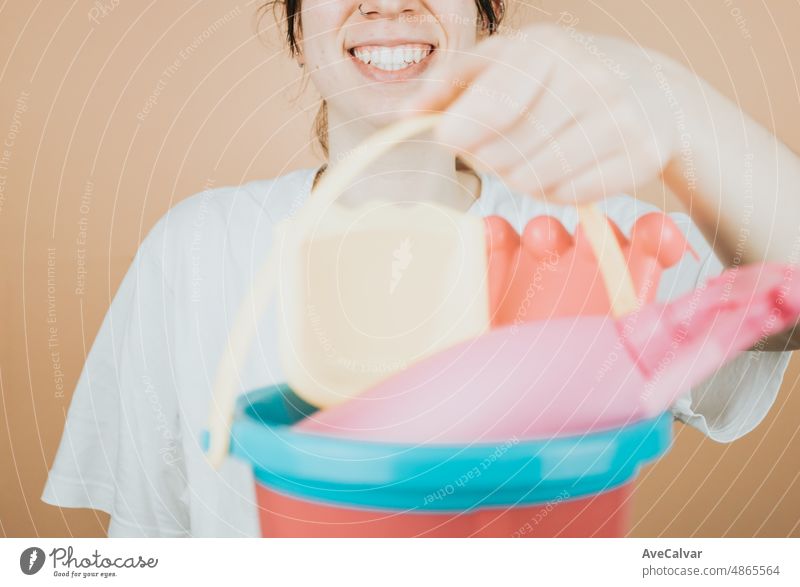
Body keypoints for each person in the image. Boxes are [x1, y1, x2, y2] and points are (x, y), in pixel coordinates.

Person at [42, 0, 800, 537]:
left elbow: (786, 303)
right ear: (299, 27)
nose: (390, 4)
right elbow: (146, 536)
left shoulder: (590, 248)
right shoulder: (194, 249)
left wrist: (677, 112)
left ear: (484, 17)